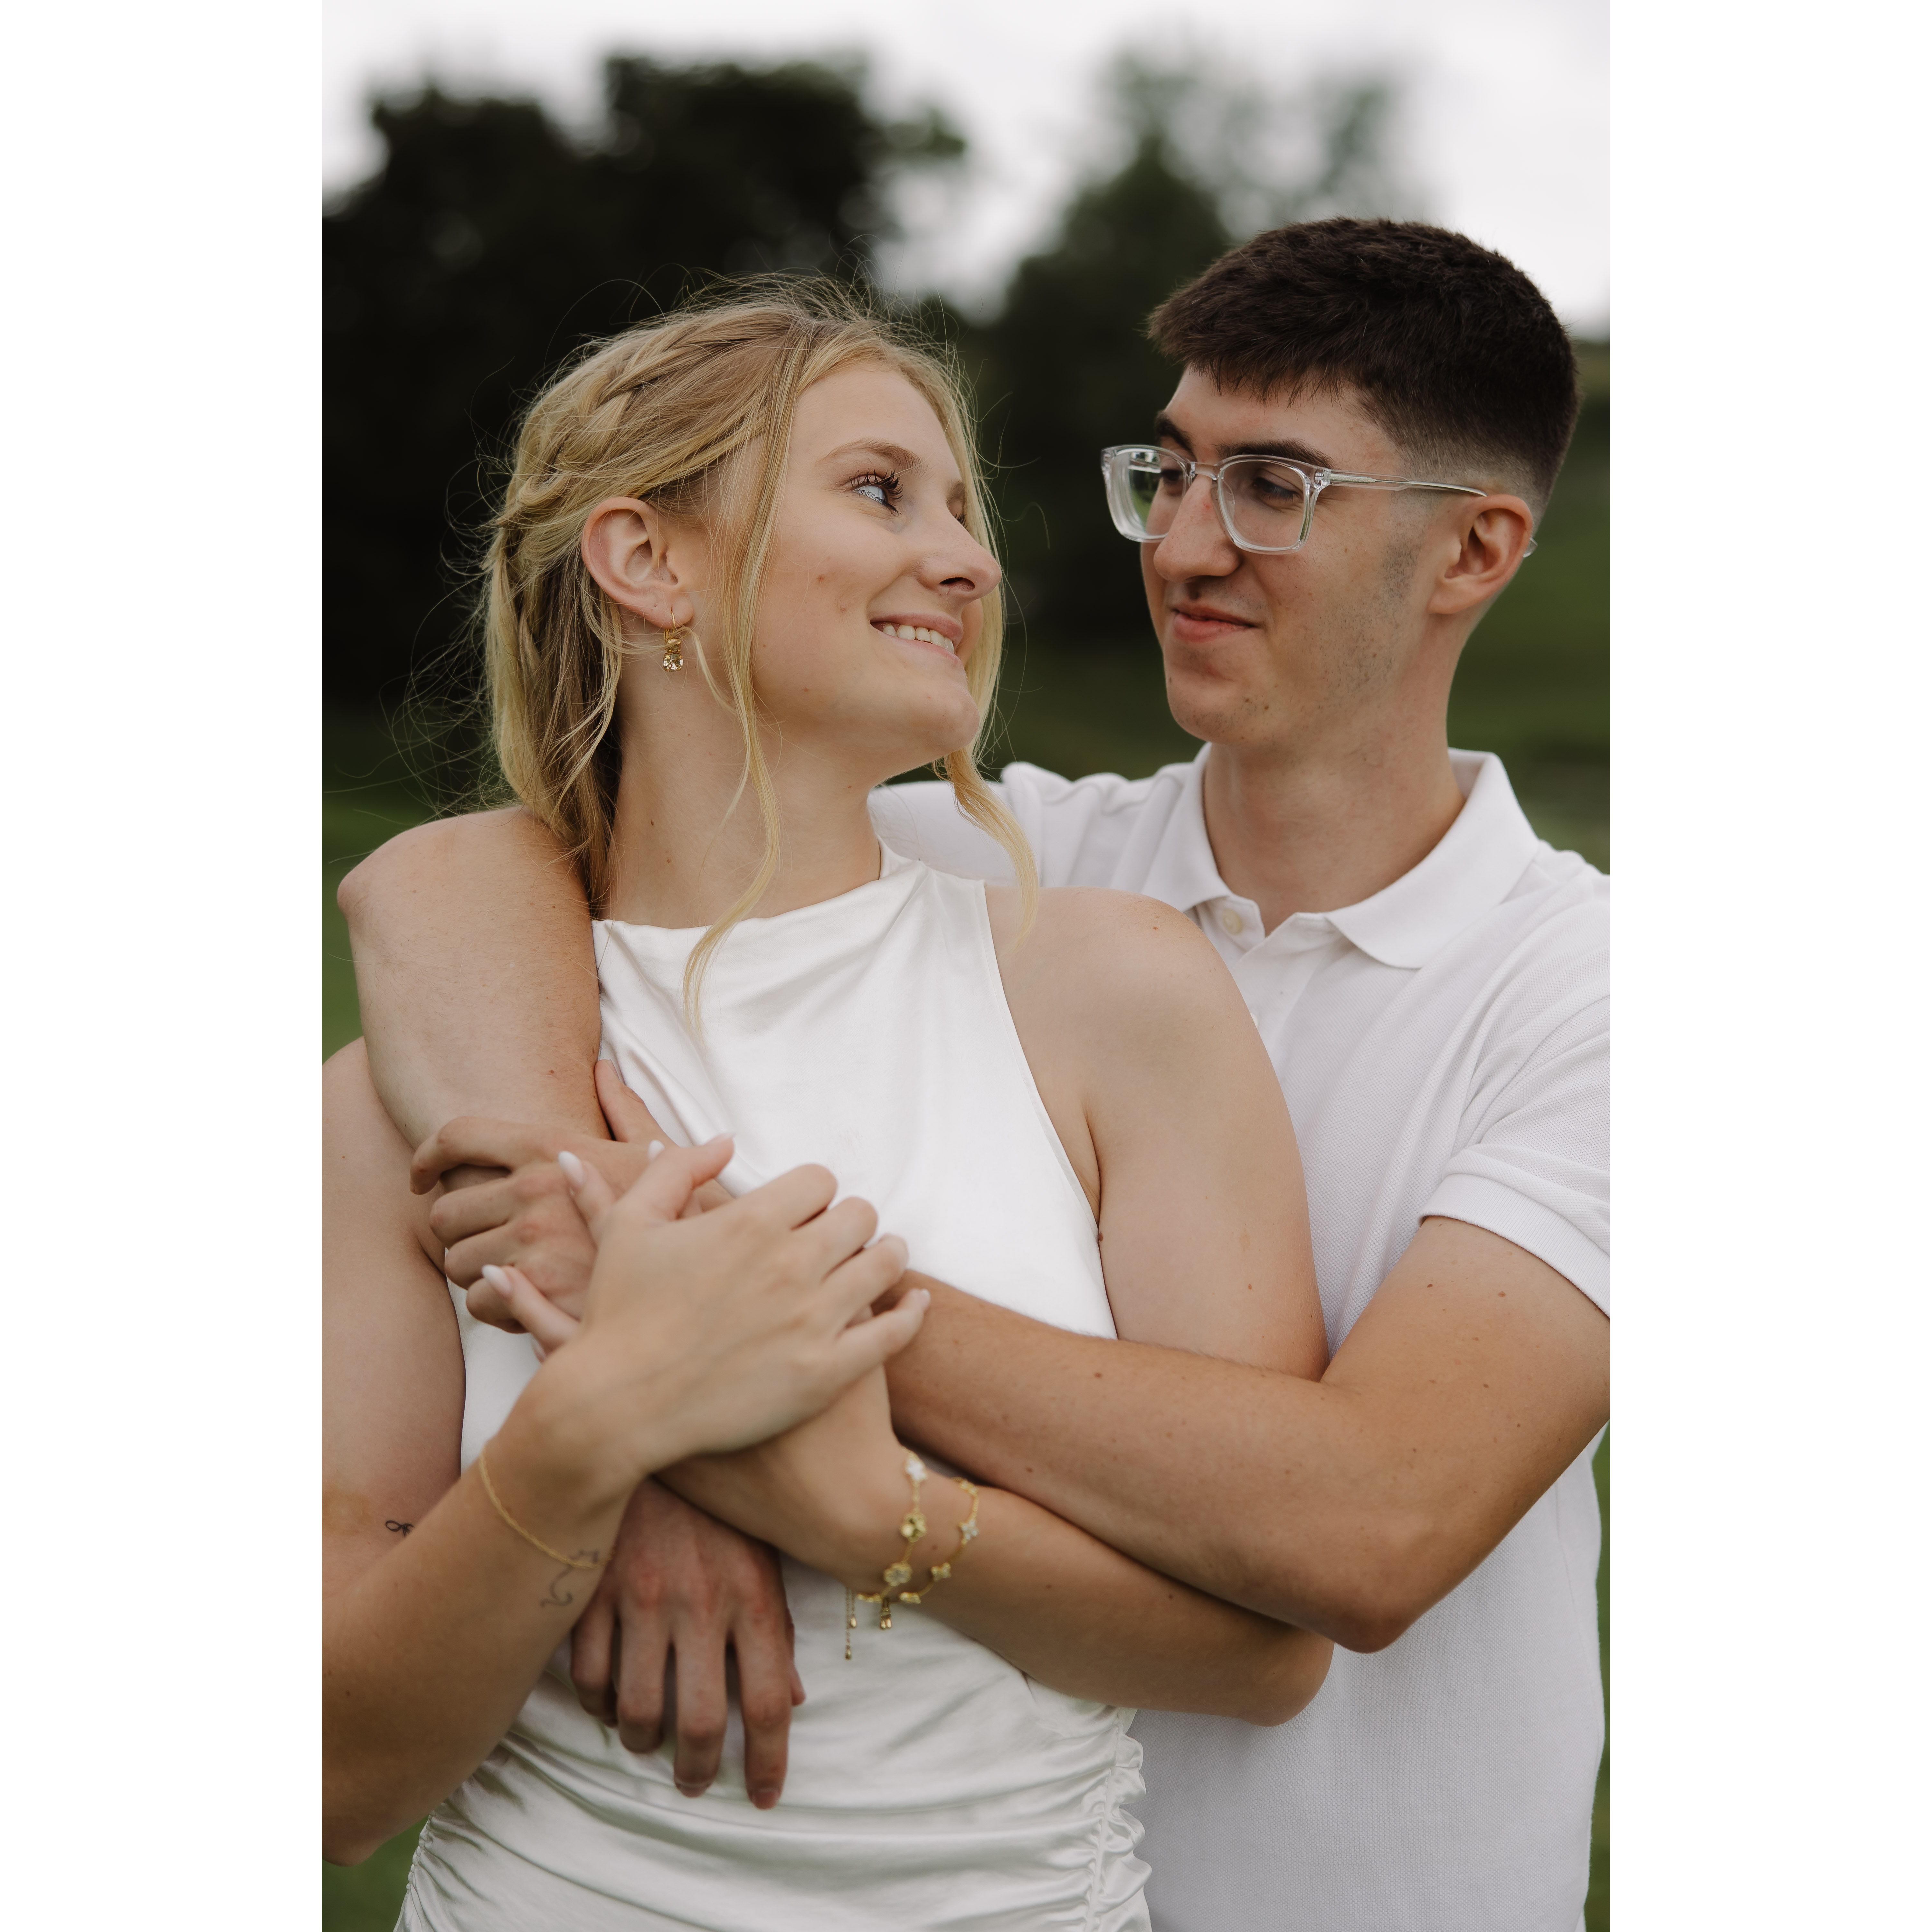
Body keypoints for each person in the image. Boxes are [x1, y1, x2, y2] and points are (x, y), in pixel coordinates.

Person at [347, 220, 1610, 1930]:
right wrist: (612, 1397)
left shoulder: (1601, 999)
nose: (1184, 542)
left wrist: (708, 1337)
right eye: (1169, 472)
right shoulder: (1001, 866)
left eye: (1273, 488)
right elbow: (459, 875)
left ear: (1474, 547)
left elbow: (1372, 1530)